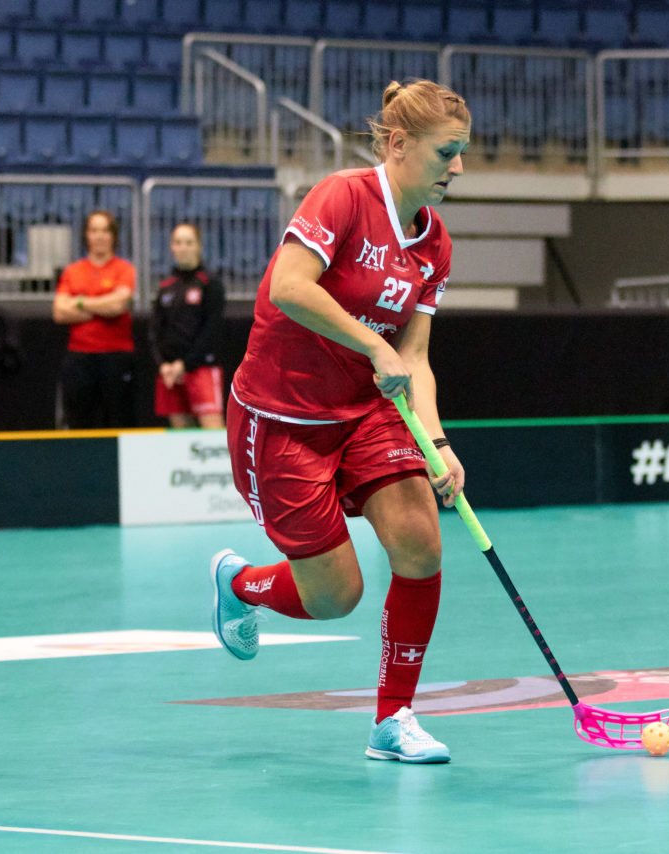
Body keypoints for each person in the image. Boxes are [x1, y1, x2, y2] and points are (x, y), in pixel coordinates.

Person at [210, 79, 470, 764]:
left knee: (421, 545)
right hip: (282, 416)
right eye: (447, 152)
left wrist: (438, 442)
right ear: (399, 144)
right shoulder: (343, 197)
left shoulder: (435, 243)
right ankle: (239, 584)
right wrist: (373, 345)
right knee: (336, 597)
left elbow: (415, 357)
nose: (458, 167)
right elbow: (288, 287)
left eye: (462, 152)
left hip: (366, 412)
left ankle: (393, 719)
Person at [51, 210, 137, 428]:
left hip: (116, 356)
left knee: (118, 421)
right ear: (86, 235)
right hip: (80, 357)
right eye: (94, 230)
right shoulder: (72, 271)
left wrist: (79, 301)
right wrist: (102, 304)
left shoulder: (124, 269)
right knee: (78, 423)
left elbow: (118, 306)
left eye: (105, 231)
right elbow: (59, 312)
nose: (99, 236)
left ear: (113, 236)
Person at [150, 223, 226, 429]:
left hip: (201, 369)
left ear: (198, 246)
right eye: (178, 242)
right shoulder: (166, 286)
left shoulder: (210, 283)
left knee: (213, 434)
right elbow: (155, 332)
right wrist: (163, 365)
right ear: (171, 247)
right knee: (180, 436)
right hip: (170, 374)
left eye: (189, 242)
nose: (183, 247)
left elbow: (212, 330)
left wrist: (184, 365)